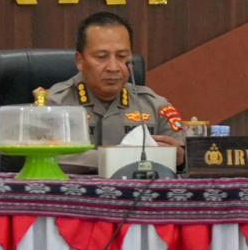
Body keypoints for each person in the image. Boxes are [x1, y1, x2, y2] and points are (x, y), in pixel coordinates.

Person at [46, 10, 185, 172]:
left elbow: (183, 160)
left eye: (122, 56)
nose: (113, 67)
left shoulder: (154, 106)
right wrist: (127, 157)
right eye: (101, 56)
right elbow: (50, 158)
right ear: (80, 61)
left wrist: (180, 159)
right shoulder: (55, 105)